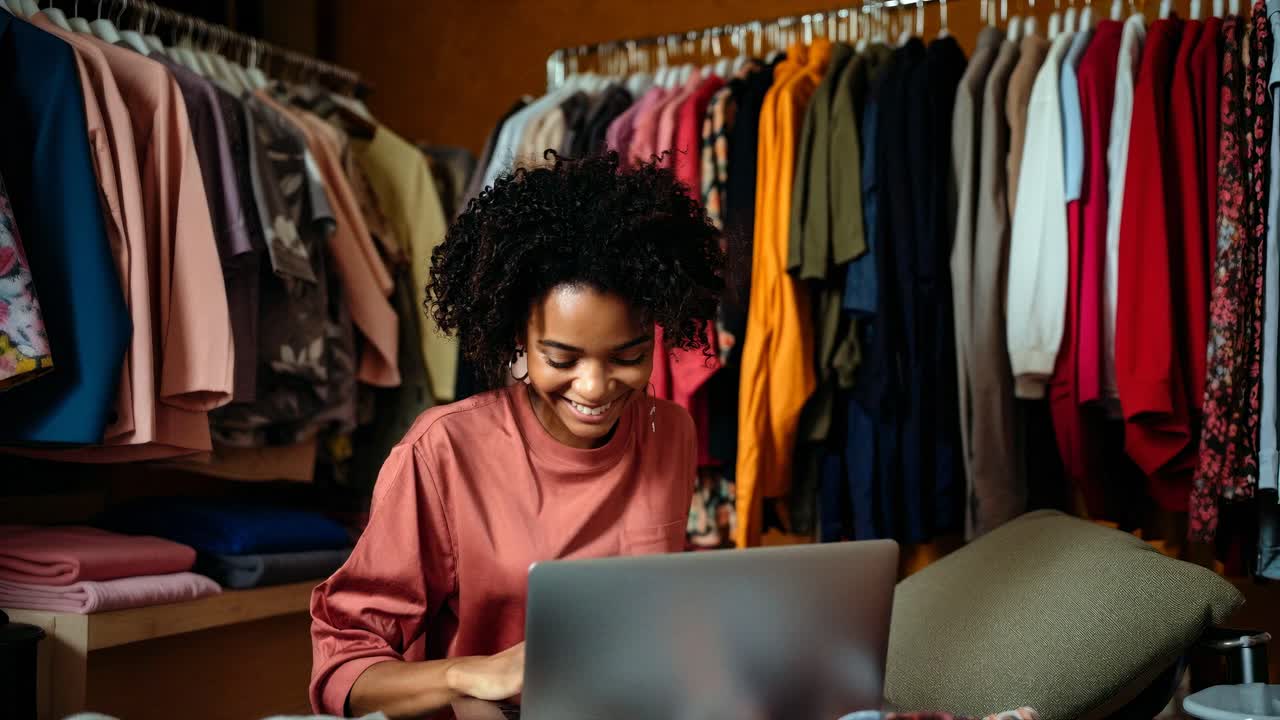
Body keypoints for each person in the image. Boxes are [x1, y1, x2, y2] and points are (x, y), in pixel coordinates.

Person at [308, 151, 726, 719]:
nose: (597, 386)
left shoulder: (668, 431)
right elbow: (343, 667)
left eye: (628, 356)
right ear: (518, 343)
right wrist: (471, 675)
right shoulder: (444, 451)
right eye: (563, 357)